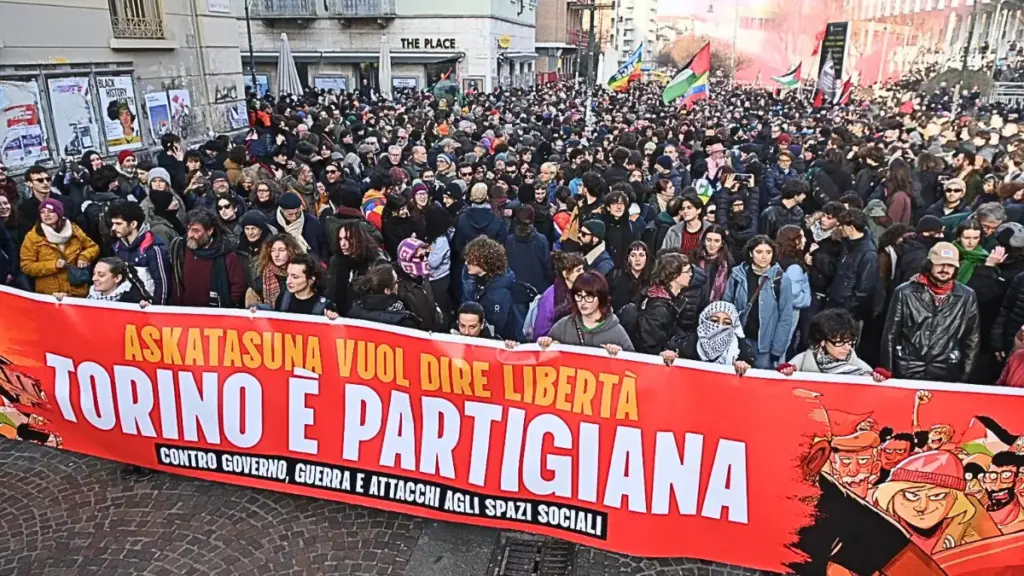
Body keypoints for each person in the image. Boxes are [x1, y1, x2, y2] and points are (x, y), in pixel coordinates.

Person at [881, 241, 980, 382]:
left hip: (946, 370)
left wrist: (965, 376)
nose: (945, 269)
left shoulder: (967, 296)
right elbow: (890, 334)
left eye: (950, 265)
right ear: (930, 264)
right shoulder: (904, 292)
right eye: (940, 264)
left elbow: (971, 339)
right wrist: (887, 369)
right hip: (907, 368)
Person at [724, 235, 795, 369]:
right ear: (751, 253)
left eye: (768, 252)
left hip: (764, 346)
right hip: (738, 339)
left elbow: (785, 318)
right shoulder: (737, 275)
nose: (764, 257)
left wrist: (777, 350)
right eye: (759, 252)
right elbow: (726, 306)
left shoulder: (781, 279)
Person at [537, 272, 635, 355]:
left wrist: (620, 355)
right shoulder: (562, 327)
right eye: (579, 296)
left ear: (601, 298)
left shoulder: (617, 333)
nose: (583, 302)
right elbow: (543, 360)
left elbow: (634, 365)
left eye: (589, 297)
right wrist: (545, 344)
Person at [20, 199, 99, 298]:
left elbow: (93, 247)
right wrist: (53, 265)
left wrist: (85, 256)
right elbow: (26, 266)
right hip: (50, 293)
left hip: (77, 291)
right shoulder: (32, 237)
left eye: (51, 211)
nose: (46, 215)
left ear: (59, 213)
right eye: (42, 212)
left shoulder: (74, 230)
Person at [168, 208, 246, 308]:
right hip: (186, 311)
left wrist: (226, 306)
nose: (190, 235)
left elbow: (238, 286)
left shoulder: (226, 254)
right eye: (189, 229)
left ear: (209, 231)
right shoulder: (181, 249)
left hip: (215, 312)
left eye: (196, 231)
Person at [778, 309, 889, 380]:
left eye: (850, 342)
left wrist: (878, 376)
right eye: (840, 342)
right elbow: (786, 371)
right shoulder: (805, 358)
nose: (847, 347)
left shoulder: (854, 361)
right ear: (822, 341)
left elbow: (871, 374)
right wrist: (786, 370)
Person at [664, 301, 754, 375]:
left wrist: (743, 366)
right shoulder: (691, 341)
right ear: (705, 321)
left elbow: (749, 368)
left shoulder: (740, 346)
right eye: (714, 321)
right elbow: (672, 352)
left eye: (727, 323)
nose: (720, 326)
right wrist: (669, 355)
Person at [463, 236, 526, 341]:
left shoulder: (498, 294)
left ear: (483, 262)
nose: (466, 263)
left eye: (470, 260)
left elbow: (496, 328)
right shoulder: (481, 279)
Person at [108, 201, 171, 305]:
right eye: (113, 223)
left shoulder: (154, 249)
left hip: (148, 309)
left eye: (118, 224)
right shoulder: (118, 247)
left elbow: (163, 286)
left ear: (133, 224)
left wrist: (155, 309)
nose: (113, 228)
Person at [826, 209, 879, 325]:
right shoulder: (847, 244)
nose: (840, 228)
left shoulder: (868, 254)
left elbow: (864, 290)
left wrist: (845, 308)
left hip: (846, 313)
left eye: (842, 226)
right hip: (834, 303)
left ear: (851, 228)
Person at [633, 252, 692, 356]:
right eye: (687, 271)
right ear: (675, 276)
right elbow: (649, 346)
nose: (691, 274)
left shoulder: (670, 300)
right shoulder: (658, 309)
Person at [327, 220, 389, 314]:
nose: (343, 244)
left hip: (365, 313)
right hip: (340, 314)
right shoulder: (337, 261)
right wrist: (330, 308)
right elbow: (331, 289)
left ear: (358, 239)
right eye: (340, 239)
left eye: (348, 239)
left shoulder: (376, 261)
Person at [252, 253, 337, 318]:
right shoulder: (283, 298)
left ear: (311, 280)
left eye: (295, 277)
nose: (288, 281)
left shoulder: (325, 306)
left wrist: (333, 318)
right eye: (288, 275)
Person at [347, 263, 422, 329]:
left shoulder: (354, 311)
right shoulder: (404, 322)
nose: (398, 284)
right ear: (387, 290)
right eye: (396, 281)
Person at [53, 257, 151, 306]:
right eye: (94, 274)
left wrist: (145, 310)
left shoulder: (133, 301)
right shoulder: (91, 294)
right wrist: (65, 300)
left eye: (101, 275)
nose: (94, 278)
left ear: (117, 278)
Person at [532, 251, 585, 339]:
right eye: (578, 270)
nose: (583, 272)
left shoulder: (584, 289)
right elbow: (541, 331)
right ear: (565, 274)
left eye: (583, 269)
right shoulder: (550, 297)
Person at [776, 225, 812, 352]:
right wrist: (807, 299)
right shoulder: (794, 267)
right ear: (794, 240)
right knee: (782, 345)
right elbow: (793, 296)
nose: (805, 240)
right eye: (802, 237)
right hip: (788, 313)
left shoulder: (777, 259)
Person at [394, 237, 442, 332]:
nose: (425, 260)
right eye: (420, 257)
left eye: (425, 255)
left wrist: (437, 314)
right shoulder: (399, 288)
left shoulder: (422, 276)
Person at [246, 233, 304, 308]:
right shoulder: (260, 281)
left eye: (281, 250)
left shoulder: (303, 275)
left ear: (291, 251)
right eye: (273, 250)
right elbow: (252, 309)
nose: (276, 254)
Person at [505, 205, 552, 294]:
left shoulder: (509, 240)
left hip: (517, 288)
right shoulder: (541, 240)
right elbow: (547, 265)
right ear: (533, 218)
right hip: (538, 289)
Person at [276, 192, 329, 260]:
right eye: (290, 214)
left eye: (297, 213)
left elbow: (323, 246)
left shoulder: (313, 222)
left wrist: (323, 262)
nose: (294, 217)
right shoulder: (274, 225)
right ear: (282, 211)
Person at [693, 224, 733, 303]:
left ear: (722, 243)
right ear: (704, 241)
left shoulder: (728, 264)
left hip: (717, 306)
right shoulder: (694, 258)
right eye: (709, 240)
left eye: (716, 241)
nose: (712, 245)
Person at [607, 241, 651, 312]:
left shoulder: (651, 280)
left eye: (641, 255)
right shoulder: (615, 276)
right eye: (633, 255)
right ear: (628, 258)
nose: (637, 259)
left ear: (647, 258)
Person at [661, 190, 708, 254]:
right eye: (683, 209)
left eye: (689, 208)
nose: (685, 211)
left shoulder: (709, 229)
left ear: (698, 210)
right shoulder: (673, 231)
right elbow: (663, 254)